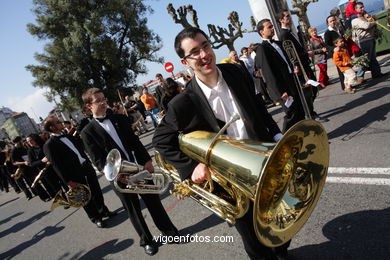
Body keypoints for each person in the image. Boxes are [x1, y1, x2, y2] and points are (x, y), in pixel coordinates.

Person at [153, 26, 289, 260]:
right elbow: (161, 141)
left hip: (264, 161)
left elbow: (257, 107)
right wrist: (191, 166)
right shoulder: (181, 103)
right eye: (194, 52)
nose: (204, 55)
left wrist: (277, 136)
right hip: (228, 179)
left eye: (205, 46)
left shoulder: (235, 72)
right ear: (185, 62)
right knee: (254, 241)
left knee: (280, 218)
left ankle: (283, 251)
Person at [80, 88, 179, 256]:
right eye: (98, 101)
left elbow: (135, 142)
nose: (104, 103)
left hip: (137, 168)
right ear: (89, 106)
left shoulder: (119, 118)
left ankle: (168, 231)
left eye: (104, 99)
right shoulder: (87, 132)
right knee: (133, 210)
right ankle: (147, 241)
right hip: (119, 177)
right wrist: (118, 174)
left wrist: (146, 161)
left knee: (153, 201)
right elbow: (98, 161)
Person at [43, 116, 115, 228]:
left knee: (96, 191)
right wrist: (68, 182)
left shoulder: (67, 136)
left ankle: (103, 210)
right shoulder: (49, 145)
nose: (61, 123)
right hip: (73, 174)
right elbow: (57, 166)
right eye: (58, 122)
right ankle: (95, 218)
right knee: (84, 197)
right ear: (52, 127)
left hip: (86, 167)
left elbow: (79, 150)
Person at [276, 10, 328, 123]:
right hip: (299, 66)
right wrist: (306, 55)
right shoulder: (284, 34)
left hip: (304, 63)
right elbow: (289, 53)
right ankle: (310, 114)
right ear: (281, 20)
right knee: (308, 91)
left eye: (289, 15)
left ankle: (310, 112)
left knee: (313, 89)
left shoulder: (290, 31)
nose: (289, 17)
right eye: (286, 16)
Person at [255, 19, 306, 132]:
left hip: (292, 81)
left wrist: (294, 68)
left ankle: (303, 137)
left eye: (272, 26)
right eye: (269, 27)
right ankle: (284, 142)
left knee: (300, 111)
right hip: (282, 88)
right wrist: (280, 92)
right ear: (261, 32)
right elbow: (269, 74)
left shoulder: (278, 43)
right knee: (291, 114)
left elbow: (285, 62)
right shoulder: (262, 49)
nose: (272, 28)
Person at [352, 2, 383, 79]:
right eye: (360, 8)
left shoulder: (366, 17)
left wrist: (371, 17)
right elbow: (366, 26)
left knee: (373, 57)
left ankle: (376, 73)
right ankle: (359, 76)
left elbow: (376, 18)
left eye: (363, 7)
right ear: (356, 9)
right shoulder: (355, 20)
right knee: (366, 59)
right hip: (364, 41)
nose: (363, 9)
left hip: (371, 39)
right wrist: (373, 22)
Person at [324, 15, 347, 90]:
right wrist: (334, 48)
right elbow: (327, 45)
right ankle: (344, 86)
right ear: (328, 24)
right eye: (331, 21)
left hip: (343, 51)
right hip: (336, 53)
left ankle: (348, 84)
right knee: (341, 69)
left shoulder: (338, 29)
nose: (333, 22)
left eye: (334, 20)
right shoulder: (328, 32)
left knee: (347, 67)